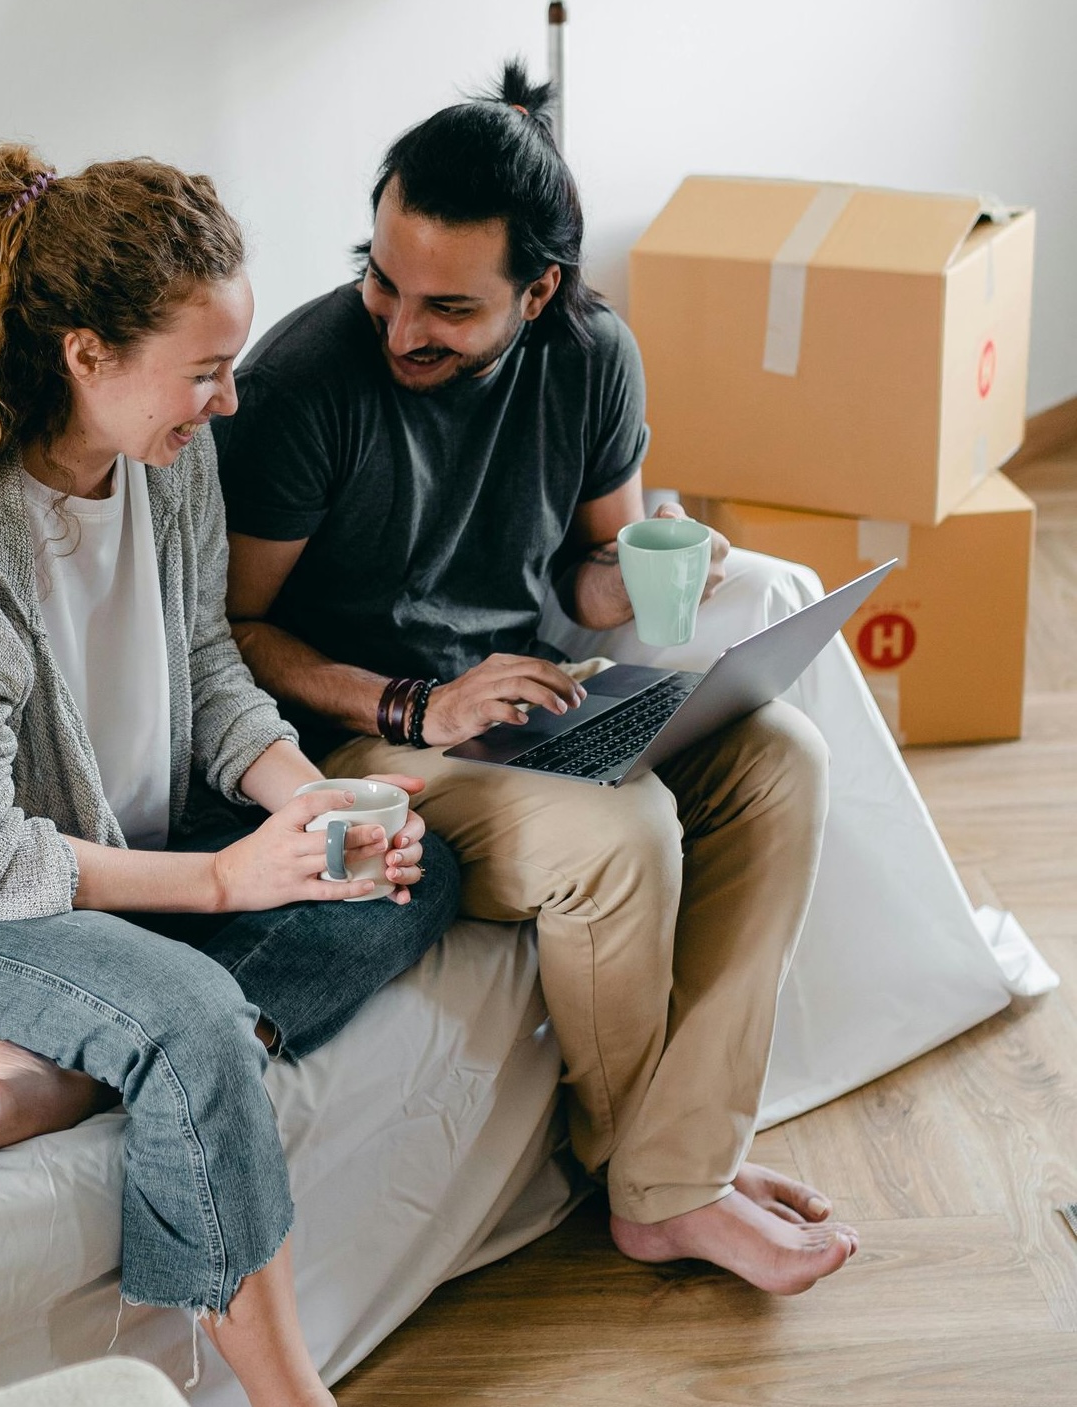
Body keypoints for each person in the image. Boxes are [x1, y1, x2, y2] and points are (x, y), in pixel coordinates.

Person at [0, 144, 459, 1407]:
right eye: (206, 373)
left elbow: (211, 663)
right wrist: (227, 881)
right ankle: (284, 1387)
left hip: (105, 848)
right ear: (87, 357)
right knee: (192, 1017)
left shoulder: (165, 466)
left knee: (406, 864)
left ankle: (67, 1060)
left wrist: (299, 800)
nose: (228, 401)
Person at [214, 62, 860, 1297]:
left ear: (540, 289)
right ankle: (662, 1186)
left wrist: (668, 568)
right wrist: (418, 706)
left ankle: (685, 1166)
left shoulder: (591, 356)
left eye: (447, 307)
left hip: (523, 705)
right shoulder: (303, 384)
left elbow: (589, 570)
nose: (400, 328)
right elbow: (235, 629)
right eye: (381, 279)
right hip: (354, 738)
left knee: (783, 762)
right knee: (622, 841)